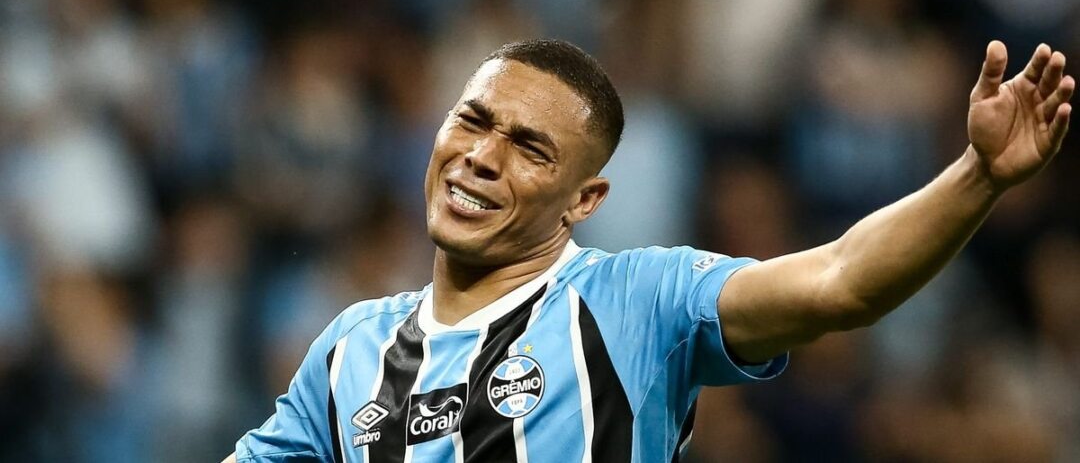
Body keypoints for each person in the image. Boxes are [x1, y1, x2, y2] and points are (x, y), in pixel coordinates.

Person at [224, 39, 1072, 462]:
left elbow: (841, 282)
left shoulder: (635, 301)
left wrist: (977, 176)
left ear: (584, 200)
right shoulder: (349, 350)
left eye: (529, 148)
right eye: (472, 121)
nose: (480, 156)